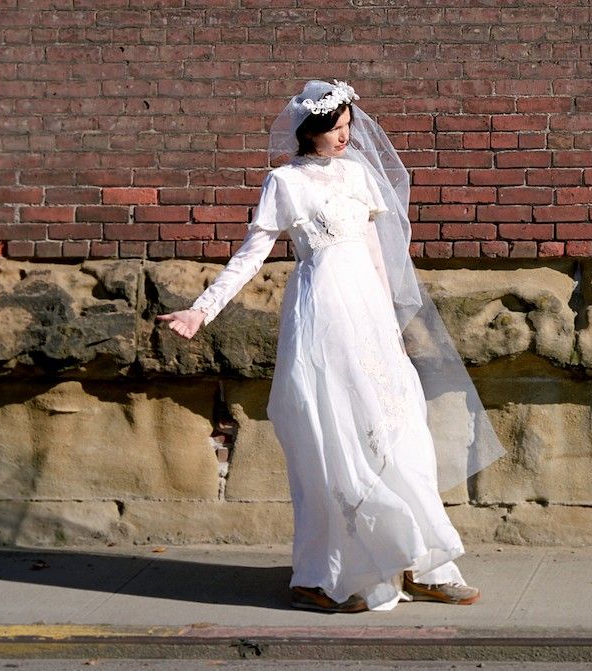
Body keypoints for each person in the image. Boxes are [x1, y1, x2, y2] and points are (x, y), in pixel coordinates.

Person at [157, 80, 505, 613]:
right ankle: (326, 575)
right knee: (335, 439)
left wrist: (391, 323)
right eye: (336, 130)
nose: (347, 137)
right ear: (310, 132)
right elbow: (252, 255)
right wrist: (201, 309)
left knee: (399, 431)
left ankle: (423, 562)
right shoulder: (284, 183)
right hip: (322, 318)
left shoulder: (359, 174)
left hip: (368, 319)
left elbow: (374, 250)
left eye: (349, 128)